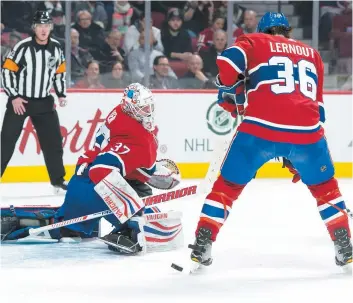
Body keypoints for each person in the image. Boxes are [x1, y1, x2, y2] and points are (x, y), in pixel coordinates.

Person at [188, 12, 352, 272]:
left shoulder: (255, 41)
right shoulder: (312, 54)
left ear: (264, 30)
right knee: (326, 190)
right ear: (287, 31)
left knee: (226, 188)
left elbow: (227, 62)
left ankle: (203, 241)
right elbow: (318, 112)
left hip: (259, 131)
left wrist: (230, 86)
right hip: (308, 133)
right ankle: (344, 244)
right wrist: (296, 149)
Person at [1, 83, 182, 255]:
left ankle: (18, 221)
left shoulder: (119, 112)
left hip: (80, 182)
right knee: (143, 220)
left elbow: (108, 151)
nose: (148, 112)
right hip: (94, 186)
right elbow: (101, 170)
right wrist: (133, 209)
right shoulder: (139, 139)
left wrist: (145, 175)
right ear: (131, 108)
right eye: (143, 108)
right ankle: (128, 230)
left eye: (149, 107)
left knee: (66, 226)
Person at [1, 10, 67, 192]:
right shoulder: (22, 47)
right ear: (34, 28)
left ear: (51, 27)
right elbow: (6, 71)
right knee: (6, 142)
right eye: (40, 26)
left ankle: (57, 181)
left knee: (53, 142)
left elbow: (59, 72)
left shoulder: (56, 47)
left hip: (44, 102)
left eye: (47, 26)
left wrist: (61, 94)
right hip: (20, 102)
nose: (44, 29)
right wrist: (14, 96)